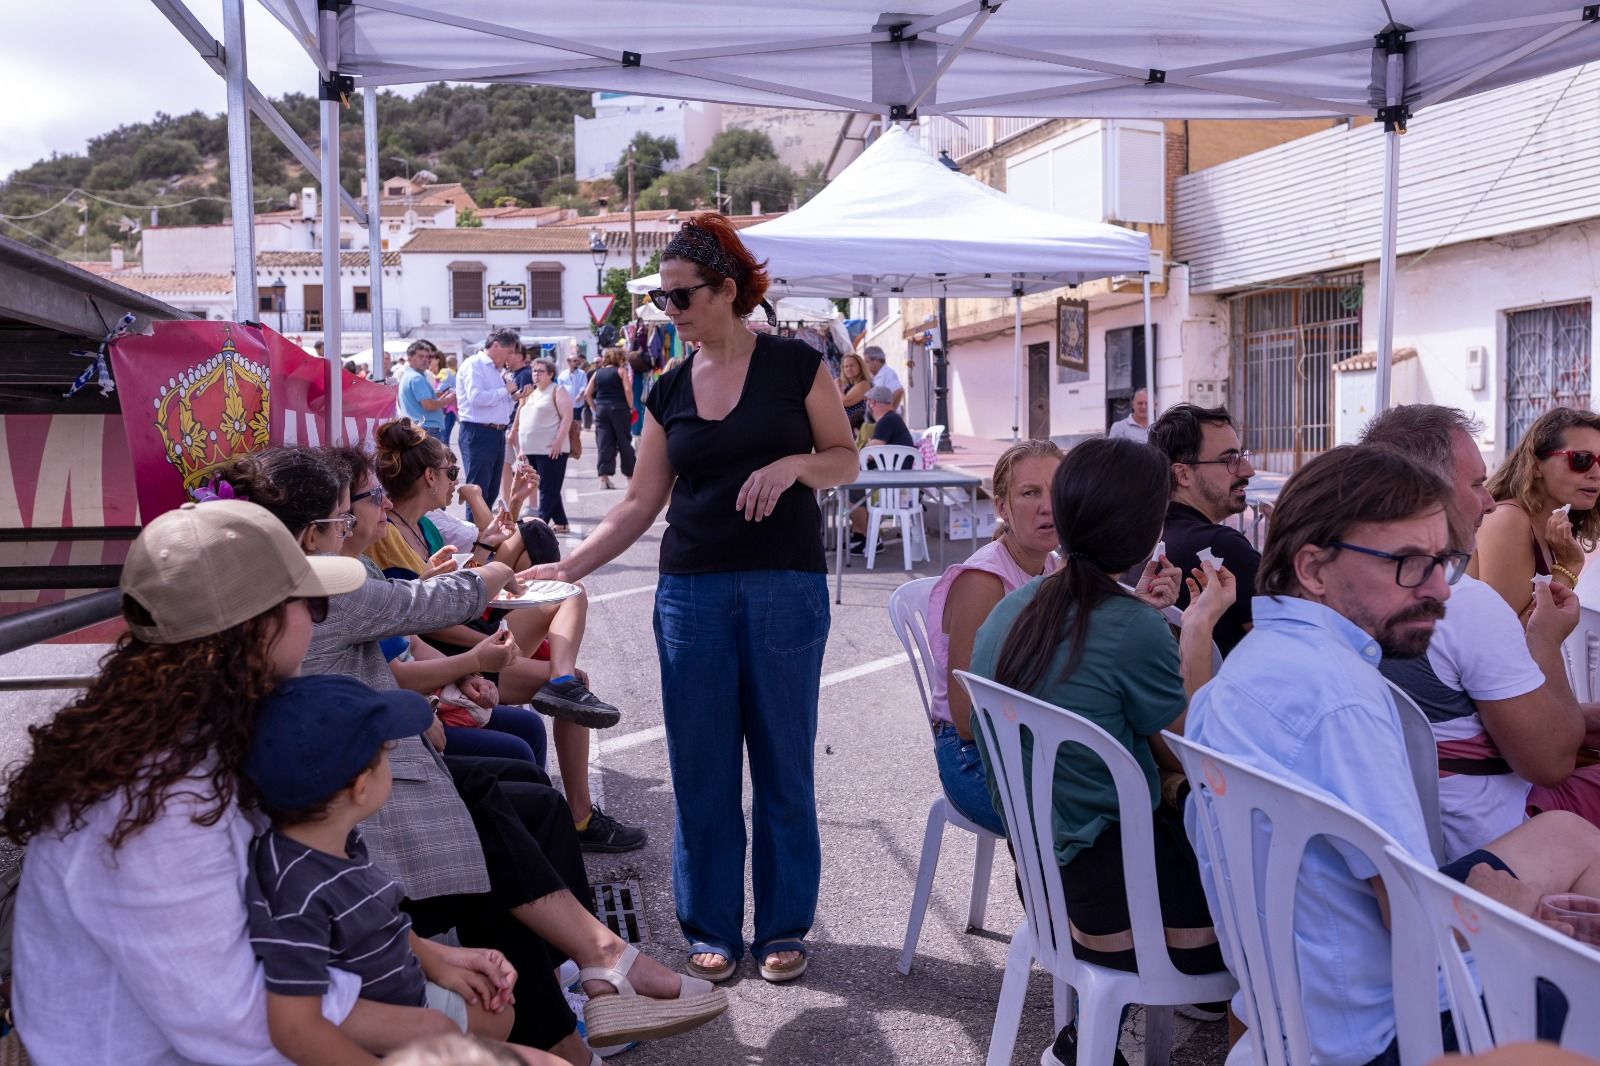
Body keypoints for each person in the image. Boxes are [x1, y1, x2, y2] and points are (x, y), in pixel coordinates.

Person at [1184, 443, 1600, 1066]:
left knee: (1566, 832)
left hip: (1298, 999)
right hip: (1394, 1031)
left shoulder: (1246, 672)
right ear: (1314, 569)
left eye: (1443, 561)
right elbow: (1415, 925)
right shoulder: (1342, 701)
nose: (1438, 589)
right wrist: (1511, 915)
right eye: (1407, 562)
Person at [524, 213, 859, 984]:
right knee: (701, 765)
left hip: (786, 586)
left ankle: (781, 926)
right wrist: (564, 568)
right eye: (662, 301)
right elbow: (640, 503)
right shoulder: (667, 387)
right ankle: (709, 923)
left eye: (680, 298)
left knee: (783, 763)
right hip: (690, 594)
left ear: (727, 291)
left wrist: (793, 469)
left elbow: (843, 457)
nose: (668, 314)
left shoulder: (795, 367)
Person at [0, 500, 455, 1063]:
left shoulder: (194, 724)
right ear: (254, 631)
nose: (318, 618)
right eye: (308, 603)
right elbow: (233, 1025)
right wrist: (435, 1027)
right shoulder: (160, 802)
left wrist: (425, 956)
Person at [970, 437, 1235, 1065]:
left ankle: (1087, 1040)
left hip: (1046, 884)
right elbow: (1202, 758)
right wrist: (1196, 630)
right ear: (1148, 531)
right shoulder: (1131, 626)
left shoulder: (1010, 612)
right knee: (1289, 901)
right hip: (1125, 904)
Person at [353, 427, 642, 853]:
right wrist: (479, 652)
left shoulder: (424, 528)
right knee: (569, 682)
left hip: (460, 645)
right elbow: (424, 623)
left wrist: (478, 568)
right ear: (430, 478)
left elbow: (451, 590)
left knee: (570, 599)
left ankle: (562, 683)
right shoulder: (387, 540)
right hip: (452, 652)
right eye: (450, 471)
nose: (455, 479)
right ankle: (577, 816)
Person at [243, 675, 537, 1061]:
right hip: (395, 1029)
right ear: (360, 786)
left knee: (497, 1013)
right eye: (387, 752)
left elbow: (379, 916)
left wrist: (440, 964)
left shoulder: (335, 840)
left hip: (409, 993)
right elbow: (296, 1027)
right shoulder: (295, 890)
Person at [1364, 405, 1600, 852]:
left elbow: (1481, 688)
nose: (1488, 500)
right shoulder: (1460, 600)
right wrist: (1548, 636)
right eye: (1475, 484)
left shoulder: (1342, 593)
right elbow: (1551, 761)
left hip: (1405, 818)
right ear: (1418, 491)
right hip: (1492, 832)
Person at [925, 441, 1064, 835]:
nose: (1048, 506)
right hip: (973, 754)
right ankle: (1051, 895)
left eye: (1057, 491)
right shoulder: (984, 581)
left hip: (1027, 737)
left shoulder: (1052, 567)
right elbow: (968, 717)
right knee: (1078, 820)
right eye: (1030, 493)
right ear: (1002, 507)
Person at [1148, 403, 1261, 655]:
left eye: (1242, 456)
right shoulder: (1221, 547)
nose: (1247, 470)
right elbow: (1287, 647)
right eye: (1229, 459)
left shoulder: (1142, 541)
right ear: (1183, 474)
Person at [1472, 406, 1600, 620]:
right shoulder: (1508, 521)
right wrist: (1568, 568)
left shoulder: (1546, 528)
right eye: (1581, 460)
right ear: (1536, 465)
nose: (1596, 473)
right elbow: (1504, 639)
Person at [457, 329, 522, 507]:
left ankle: (482, 532)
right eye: (508, 352)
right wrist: (505, 391)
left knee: (491, 492)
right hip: (478, 432)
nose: (510, 358)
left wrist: (513, 398)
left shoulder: (496, 370)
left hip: (496, 433)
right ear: (495, 346)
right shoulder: (474, 364)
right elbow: (476, 398)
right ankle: (474, 534)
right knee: (478, 492)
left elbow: (503, 407)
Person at [517, 357, 574, 533]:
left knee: (548, 488)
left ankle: (539, 525)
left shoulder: (557, 390)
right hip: (532, 449)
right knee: (547, 486)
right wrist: (521, 448)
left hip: (551, 450)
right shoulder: (532, 393)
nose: (536, 374)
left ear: (550, 374)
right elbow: (523, 420)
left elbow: (567, 416)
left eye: (541, 371)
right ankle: (561, 522)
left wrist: (558, 440)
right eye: (534, 371)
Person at [585, 347, 635, 491]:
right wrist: (630, 407)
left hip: (602, 409)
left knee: (604, 443)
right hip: (619, 408)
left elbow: (588, 393)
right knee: (624, 441)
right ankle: (630, 478)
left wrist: (595, 408)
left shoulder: (597, 373)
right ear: (619, 359)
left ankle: (604, 478)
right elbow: (627, 390)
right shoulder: (621, 371)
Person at [397, 340, 455, 440]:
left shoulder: (409, 375)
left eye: (427, 357)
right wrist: (448, 400)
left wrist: (441, 398)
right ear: (410, 359)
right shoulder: (416, 378)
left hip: (420, 428)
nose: (425, 360)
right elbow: (428, 405)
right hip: (427, 429)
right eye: (421, 356)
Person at [559, 351, 590, 442]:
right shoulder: (563, 374)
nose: (577, 362)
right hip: (566, 403)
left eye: (577, 360)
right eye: (575, 361)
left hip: (577, 402)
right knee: (567, 420)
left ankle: (576, 438)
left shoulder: (582, 373)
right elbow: (560, 387)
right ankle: (568, 438)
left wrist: (580, 395)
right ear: (569, 362)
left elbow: (584, 386)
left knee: (577, 420)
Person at [837, 352, 871, 432]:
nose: (848, 369)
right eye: (846, 366)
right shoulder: (848, 385)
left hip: (858, 427)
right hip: (848, 426)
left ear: (860, 366)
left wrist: (836, 386)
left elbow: (845, 401)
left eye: (852, 365)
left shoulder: (864, 384)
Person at [864, 345, 904, 410]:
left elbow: (899, 391)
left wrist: (887, 412)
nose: (865, 365)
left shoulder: (888, 374)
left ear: (876, 361)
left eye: (867, 361)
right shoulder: (874, 376)